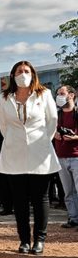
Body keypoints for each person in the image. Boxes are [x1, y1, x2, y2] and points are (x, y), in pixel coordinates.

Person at [0, 61, 60, 254]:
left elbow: (52, 121)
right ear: (13, 75)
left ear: (33, 74)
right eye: (19, 71)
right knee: (19, 200)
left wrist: (41, 141)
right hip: (14, 153)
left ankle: (39, 239)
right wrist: (14, 140)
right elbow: (3, 125)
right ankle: (24, 240)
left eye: (26, 71)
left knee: (40, 198)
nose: (22, 74)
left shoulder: (44, 94)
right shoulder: (5, 97)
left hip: (39, 152)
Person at [53, 85, 78, 229]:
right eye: (57, 93)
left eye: (62, 93)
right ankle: (73, 218)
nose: (59, 96)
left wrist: (74, 137)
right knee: (68, 191)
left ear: (71, 95)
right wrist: (54, 134)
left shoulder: (76, 113)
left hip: (76, 156)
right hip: (60, 156)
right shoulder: (57, 115)